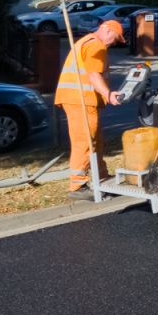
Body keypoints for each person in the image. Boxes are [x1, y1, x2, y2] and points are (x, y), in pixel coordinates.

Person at [55, 20, 125, 197]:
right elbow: (93, 75)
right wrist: (108, 94)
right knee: (85, 140)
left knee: (96, 139)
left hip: (78, 99)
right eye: (115, 39)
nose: (113, 43)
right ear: (106, 30)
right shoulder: (96, 46)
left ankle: (101, 176)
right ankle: (77, 186)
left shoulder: (86, 41)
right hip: (80, 100)